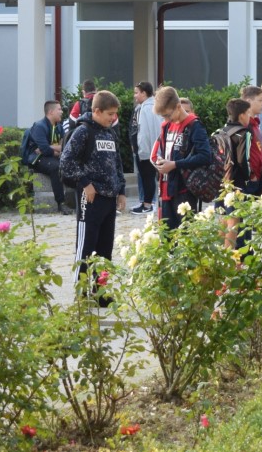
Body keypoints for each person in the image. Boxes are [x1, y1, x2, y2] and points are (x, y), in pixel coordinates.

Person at [60, 89, 129, 302]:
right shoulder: (83, 132)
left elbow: (117, 164)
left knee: (105, 248)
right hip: (90, 198)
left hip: (109, 198)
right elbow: (66, 162)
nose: (113, 118)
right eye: (110, 114)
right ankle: (81, 292)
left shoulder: (110, 133)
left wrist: (121, 191)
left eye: (115, 114)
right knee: (86, 246)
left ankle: (101, 292)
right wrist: (85, 183)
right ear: (97, 111)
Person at [150, 85, 212, 230]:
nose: (166, 119)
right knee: (166, 236)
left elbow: (205, 156)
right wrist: (160, 162)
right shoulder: (166, 126)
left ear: (178, 107)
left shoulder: (194, 125)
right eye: (163, 116)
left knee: (186, 236)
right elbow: (164, 151)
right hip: (166, 188)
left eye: (168, 115)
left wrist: (175, 164)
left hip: (184, 190)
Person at [21, 101, 73, 213]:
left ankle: (76, 201)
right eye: (59, 109)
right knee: (56, 167)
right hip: (37, 159)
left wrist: (51, 147)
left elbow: (65, 146)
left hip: (51, 157)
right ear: (51, 112)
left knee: (73, 164)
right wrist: (56, 150)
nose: (61, 112)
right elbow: (44, 150)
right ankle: (61, 203)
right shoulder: (39, 126)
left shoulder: (59, 127)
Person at [132, 81, 159, 213]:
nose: (135, 95)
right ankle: (146, 203)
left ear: (144, 93)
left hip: (147, 151)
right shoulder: (150, 106)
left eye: (137, 93)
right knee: (146, 177)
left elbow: (144, 132)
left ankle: (147, 205)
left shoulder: (146, 108)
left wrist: (143, 152)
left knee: (147, 177)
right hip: (150, 149)